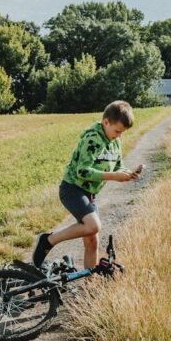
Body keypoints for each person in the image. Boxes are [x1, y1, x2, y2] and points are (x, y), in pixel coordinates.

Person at [30, 100, 143, 271]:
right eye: (117, 131)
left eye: (122, 132)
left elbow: (118, 165)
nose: (119, 136)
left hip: (89, 194)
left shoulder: (115, 141)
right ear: (106, 122)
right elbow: (82, 171)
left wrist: (127, 174)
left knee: (92, 241)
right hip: (72, 189)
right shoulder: (92, 139)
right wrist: (113, 176)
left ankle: (91, 285)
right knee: (93, 226)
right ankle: (48, 240)